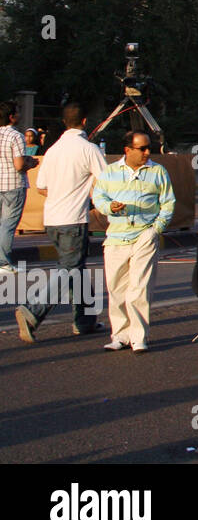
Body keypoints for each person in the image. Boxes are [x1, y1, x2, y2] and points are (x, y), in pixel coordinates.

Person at [14, 102, 108, 341]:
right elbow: (108, 181)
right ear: (85, 121)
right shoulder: (89, 149)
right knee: (69, 269)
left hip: (52, 218)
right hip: (73, 219)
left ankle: (85, 320)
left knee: (76, 267)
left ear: (64, 122)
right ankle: (32, 311)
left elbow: (42, 187)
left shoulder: (53, 150)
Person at [93, 130, 176, 352]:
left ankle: (139, 336)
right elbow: (98, 196)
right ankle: (120, 334)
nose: (147, 152)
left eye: (149, 147)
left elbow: (168, 203)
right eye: (142, 148)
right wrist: (109, 207)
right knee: (116, 286)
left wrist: (155, 229)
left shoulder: (158, 172)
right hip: (116, 236)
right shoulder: (110, 172)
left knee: (140, 287)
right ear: (128, 150)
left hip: (144, 234)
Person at [0, 101, 38, 275]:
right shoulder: (16, 136)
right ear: (11, 116)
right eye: (17, 112)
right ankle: (3, 262)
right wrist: (31, 162)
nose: (20, 115)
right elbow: (19, 164)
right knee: (8, 225)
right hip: (13, 185)